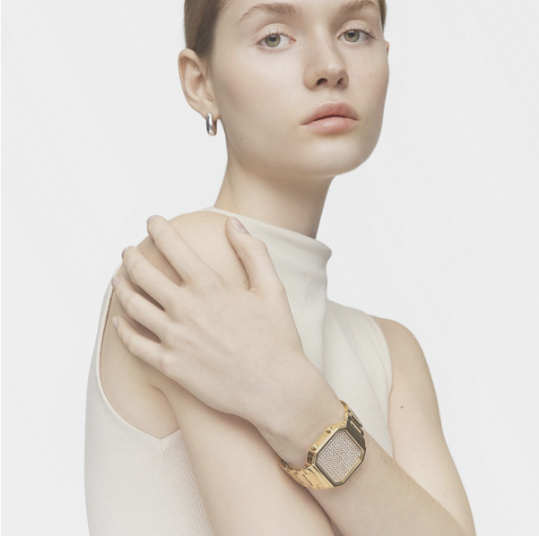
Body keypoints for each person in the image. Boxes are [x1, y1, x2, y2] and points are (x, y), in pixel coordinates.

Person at [84, 1, 476, 535]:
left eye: (355, 32)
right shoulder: (189, 269)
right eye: (274, 37)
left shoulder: (393, 355)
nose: (329, 66)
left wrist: (298, 404)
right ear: (201, 83)